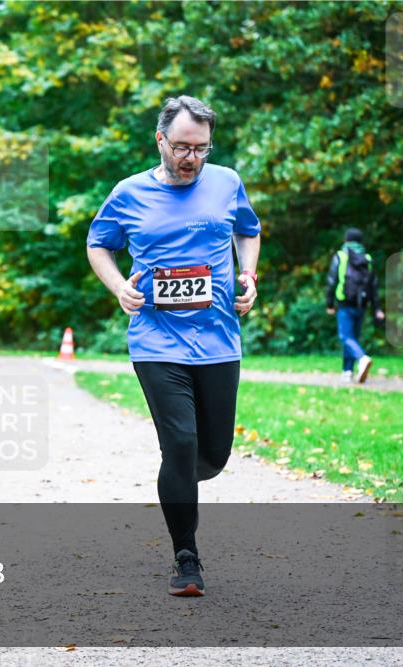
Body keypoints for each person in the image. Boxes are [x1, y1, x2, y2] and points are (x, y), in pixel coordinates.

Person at [86, 95, 261, 597]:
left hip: (220, 340)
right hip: (156, 341)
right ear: (160, 140)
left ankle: (180, 479)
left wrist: (248, 276)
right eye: (183, 147)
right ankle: (187, 557)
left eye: (201, 149)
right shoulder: (128, 193)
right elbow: (98, 243)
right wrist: (120, 287)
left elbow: (249, 230)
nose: (191, 158)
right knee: (180, 444)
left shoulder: (226, 182)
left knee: (213, 456)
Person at [325, 228, 384, 383]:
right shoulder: (367, 258)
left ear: (346, 240)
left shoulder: (341, 255)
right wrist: (377, 308)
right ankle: (347, 371)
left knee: (345, 337)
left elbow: (332, 281)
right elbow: (373, 286)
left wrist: (329, 303)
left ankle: (362, 359)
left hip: (344, 303)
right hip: (362, 304)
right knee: (352, 337)